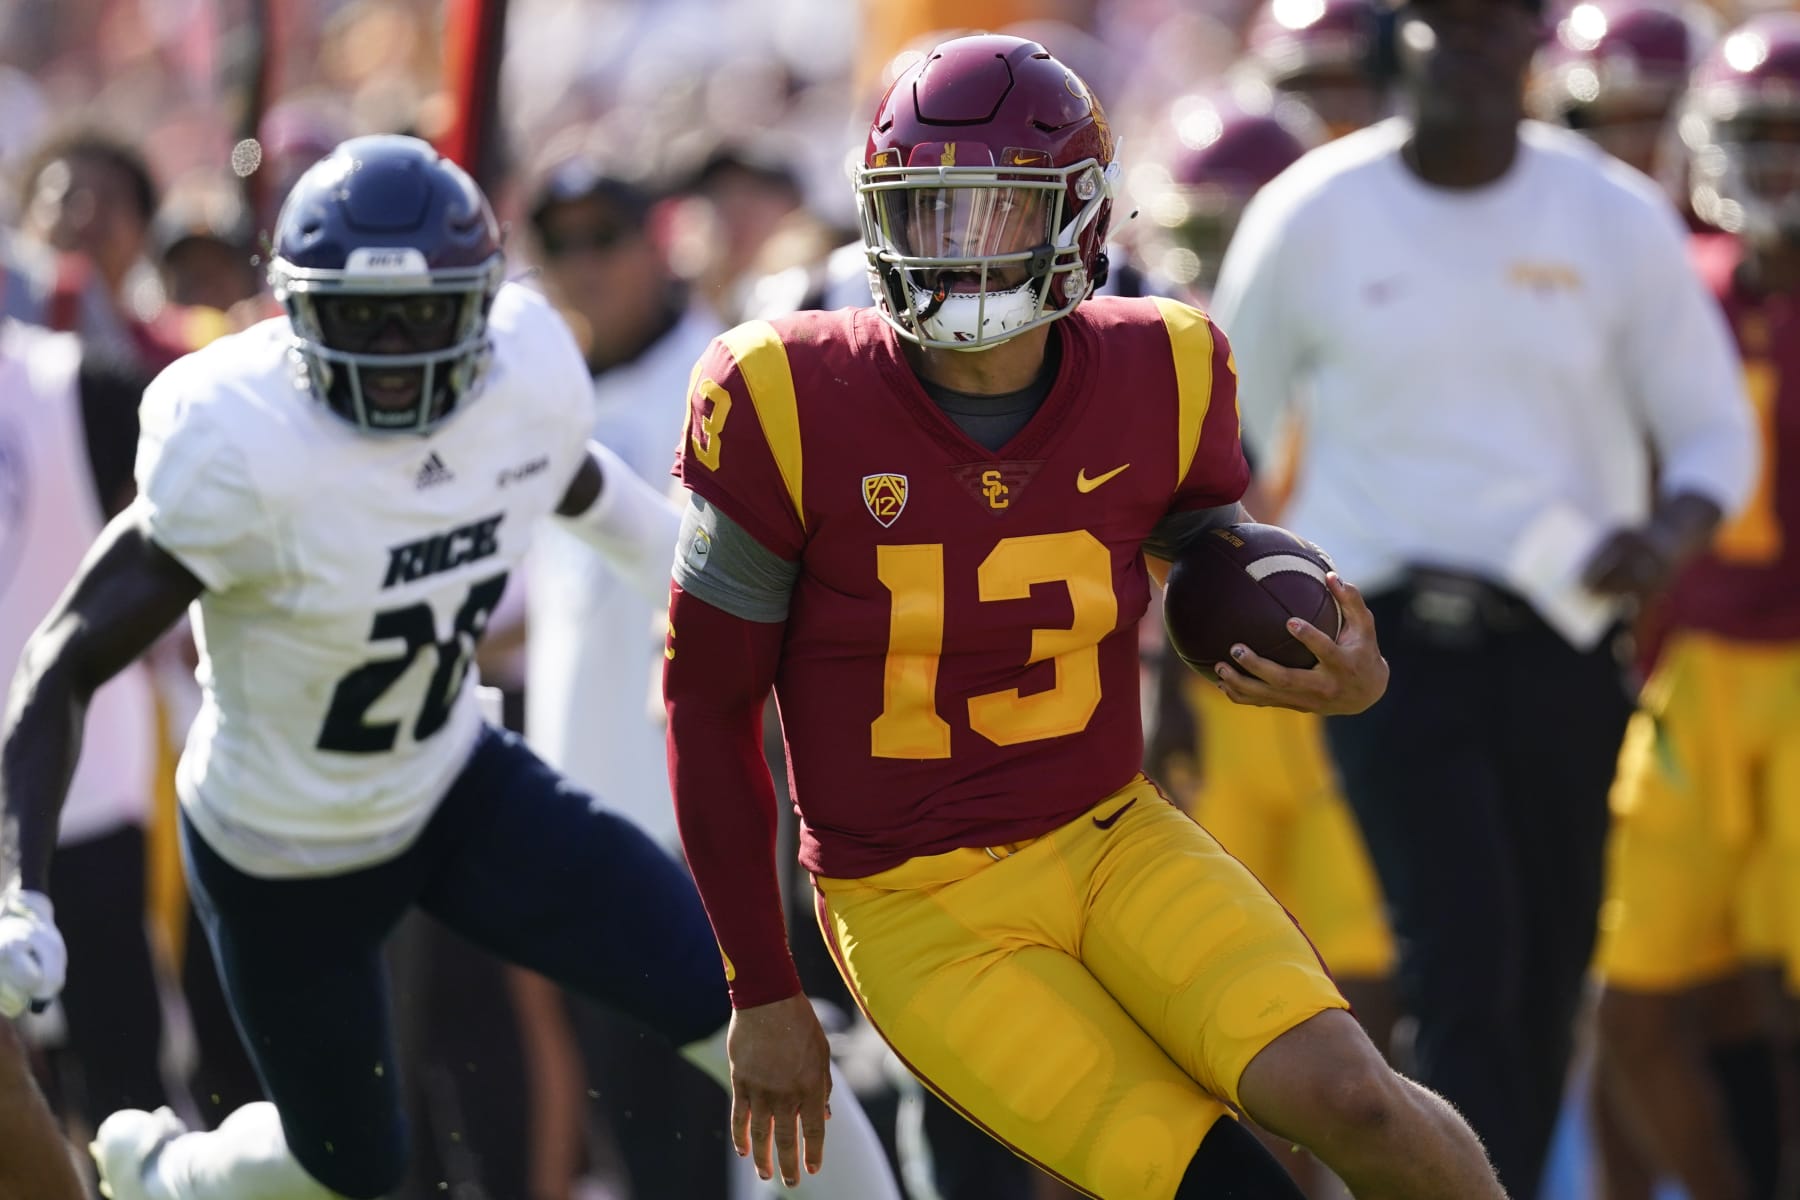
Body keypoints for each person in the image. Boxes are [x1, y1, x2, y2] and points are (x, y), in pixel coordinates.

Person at [664, 33, 1507, 1200]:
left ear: (1077, 219)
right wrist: (760, 986)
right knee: (1227, 1189)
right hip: (917, 904)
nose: (954, 253)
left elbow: (1210, 554)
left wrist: (1334, 659)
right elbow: (705, 707)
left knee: (1361, 1104)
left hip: (1111, 833)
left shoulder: (1164, 366)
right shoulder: (779, 396)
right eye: (927, 213)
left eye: (992, 214)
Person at [0, 134, 898, 1200]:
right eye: (358, 316)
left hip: (452, 780)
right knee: (351, 1165)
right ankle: (176, 1172)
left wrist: (754, 601)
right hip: (283, 846)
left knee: (751, 1004)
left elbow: (590, 493)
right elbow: (61, 660)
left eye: (421, 316)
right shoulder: (239, 443)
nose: (392, 351)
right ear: (294, 313)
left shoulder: (517, 388)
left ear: (480, 306)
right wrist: (20, 888)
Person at [1209, 0, 1759, 1193]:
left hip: (1567, 642)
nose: (1470, 38)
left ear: (1535, 38)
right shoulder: (1312, 212)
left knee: (1553, 974)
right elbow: (1218, 436)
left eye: (1498, 16)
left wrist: (1667, 533)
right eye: (1444, 17)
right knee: (1464, 962)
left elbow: (1713, 432)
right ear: (1394, 35)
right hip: (1381, 646)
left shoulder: (1612, 217)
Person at [1591, 16, 1800, 1200]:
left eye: (1795, 139)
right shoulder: (1683, 286)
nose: (1774, 170)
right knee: (1630, 994)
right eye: (1756, 139)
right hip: (1692, 677)